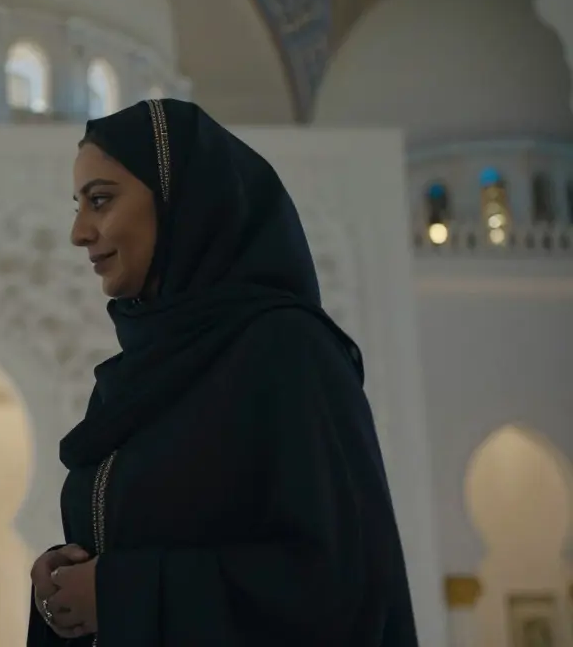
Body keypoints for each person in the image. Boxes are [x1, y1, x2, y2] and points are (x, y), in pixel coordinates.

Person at [26, 100, 419, 646]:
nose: (79, 232)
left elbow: (340, 583)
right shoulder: (135, 377)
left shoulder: (287, 351)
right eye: (79, 205)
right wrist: (64, 580)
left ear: (179, 201)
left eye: (100, 201)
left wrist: (122, 593)